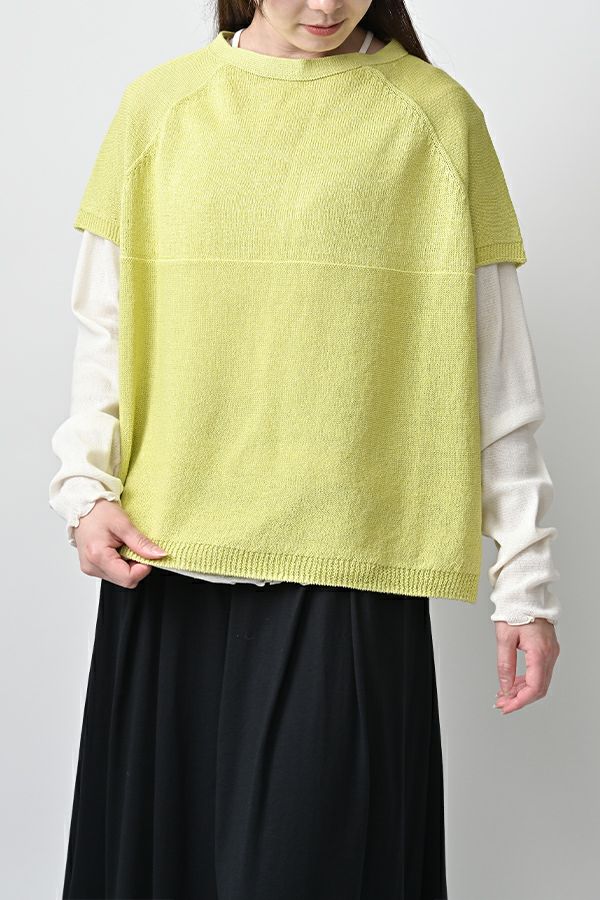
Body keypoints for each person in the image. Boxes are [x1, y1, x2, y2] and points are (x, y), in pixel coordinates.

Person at [49, 2, 561, 898]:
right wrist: (85, 491)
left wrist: (526, 582)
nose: (326, 6)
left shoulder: (434, 117)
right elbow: (106, 330)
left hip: (351, 574)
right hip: (165, 568)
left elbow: (497, 372)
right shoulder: (158, 108)